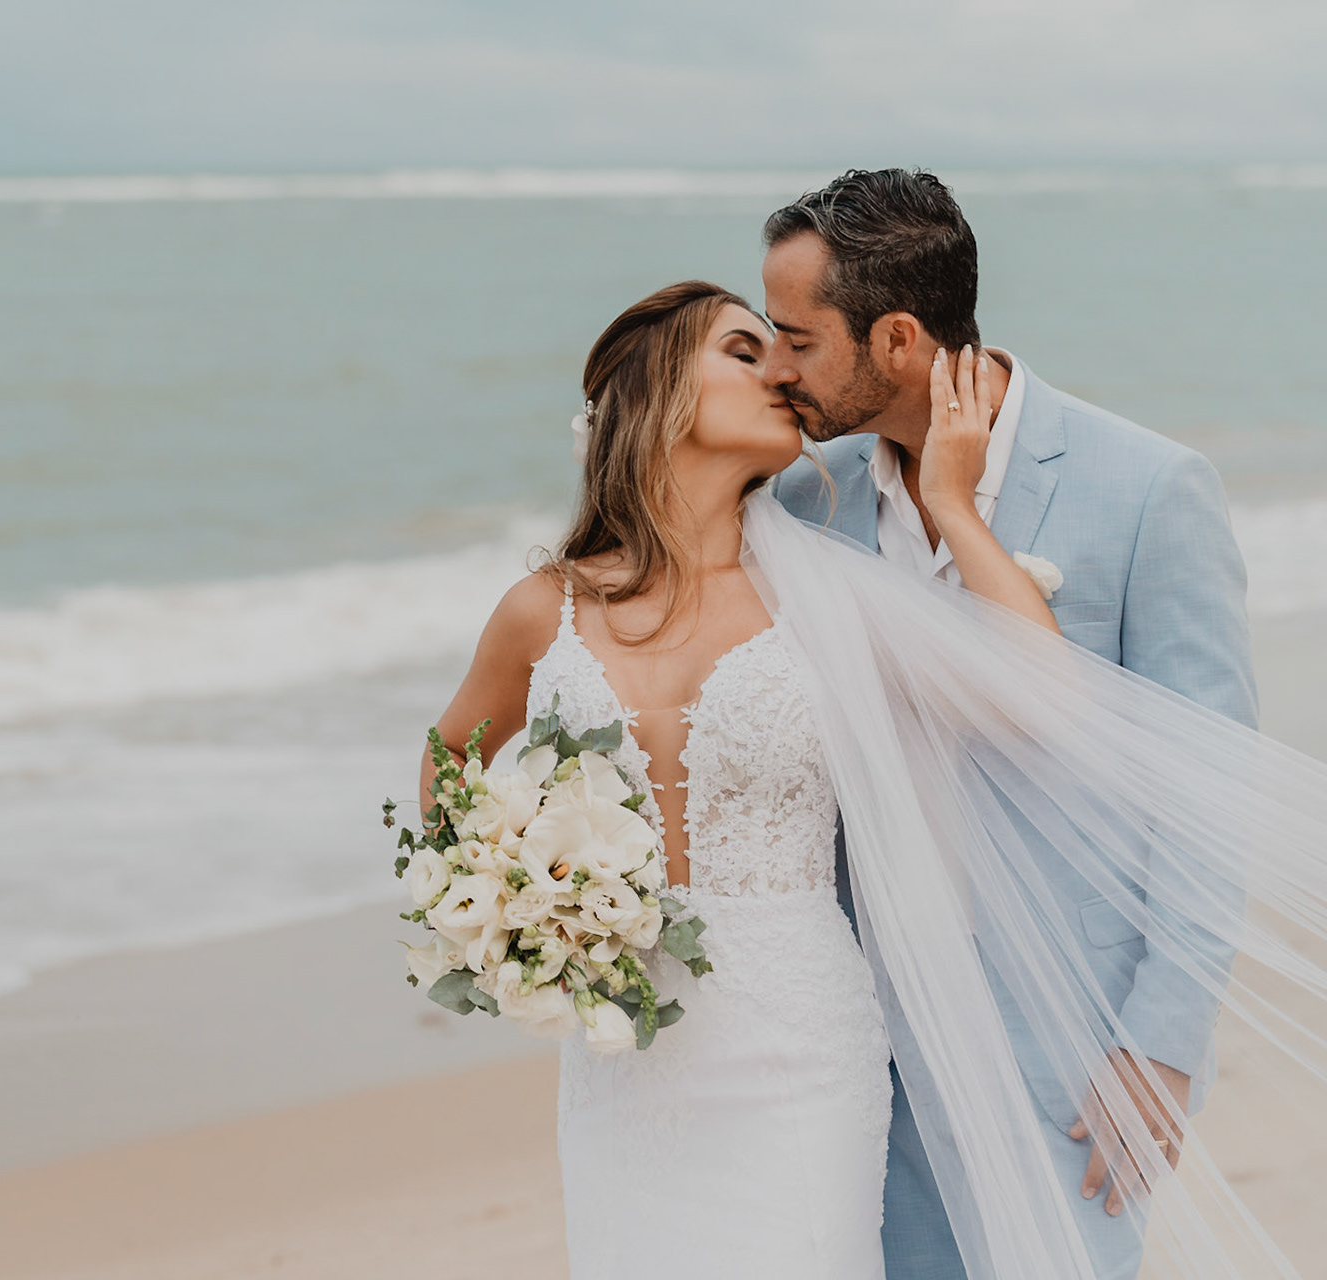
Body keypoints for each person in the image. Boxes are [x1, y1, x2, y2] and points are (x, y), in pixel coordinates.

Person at [425, 272, 1327, 1275]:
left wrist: (950, 499)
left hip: (798, 1049)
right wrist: (509, 918)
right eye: (741, 348)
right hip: (619, 1068)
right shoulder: (539, 607)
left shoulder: (821, 591)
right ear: (659, 391)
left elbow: (1045, 694)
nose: (781, 366)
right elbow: (448, 765)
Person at [764, 168, 1253, 1280]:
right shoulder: (802, 500)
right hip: (863, 1038)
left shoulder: (1146, 487)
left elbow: (1207, 792)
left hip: (1071, 1037)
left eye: (796, 338)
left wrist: (1163, 1039)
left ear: (894, 339)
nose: (774, 366)